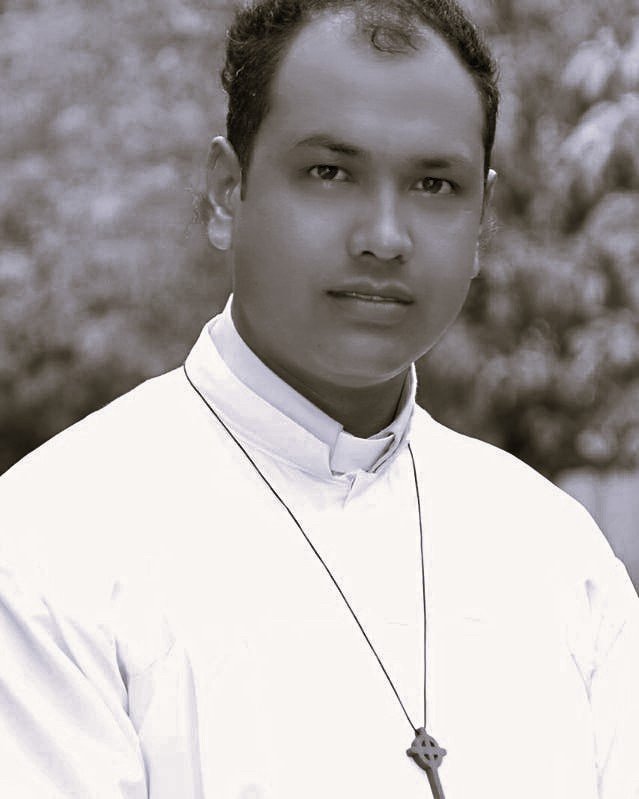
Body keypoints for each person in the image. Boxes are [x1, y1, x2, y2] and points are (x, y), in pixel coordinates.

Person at [1, 0, 638, 796]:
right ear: (226, 193)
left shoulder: (555, 555)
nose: (384, 235)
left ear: (481, 223)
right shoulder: (50, 545)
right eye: (328, 172)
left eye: (435, 183)